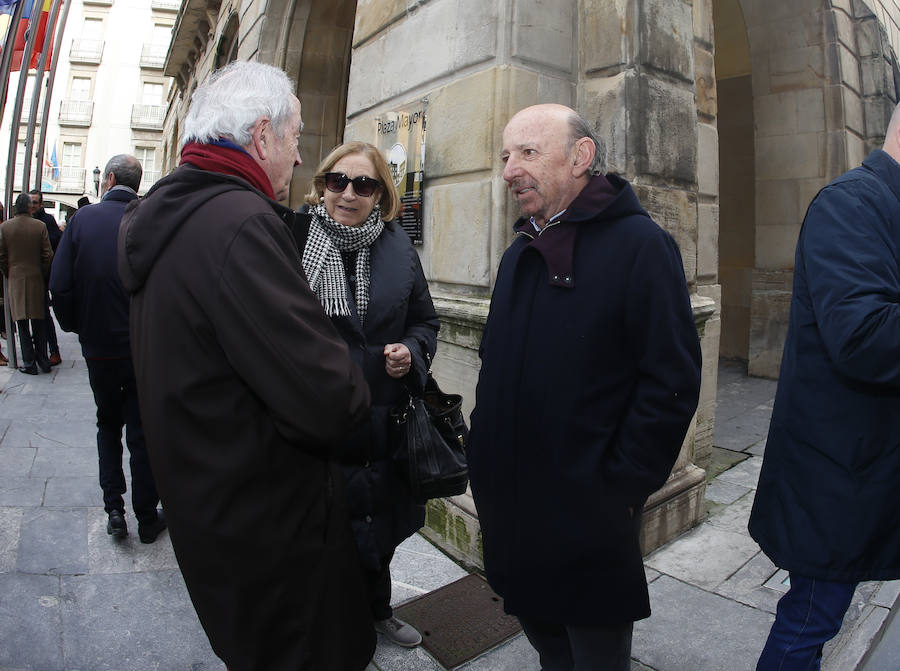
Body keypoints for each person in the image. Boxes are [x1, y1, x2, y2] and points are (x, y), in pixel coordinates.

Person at [117, 60, 374, 671]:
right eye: (293, 139)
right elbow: (332, 401)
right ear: (262, 137)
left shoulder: (173, 214)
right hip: (275, 542)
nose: (297, 159)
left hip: (217, 518)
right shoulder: (238, 223)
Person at [466, 104, 702, 671]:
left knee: (593, 653)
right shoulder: (520, 250)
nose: (508, 172)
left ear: (581, 157)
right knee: (546, 642)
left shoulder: (642, 245)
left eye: (527, 153)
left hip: (588, 515)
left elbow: (670, 382)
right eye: (505, 157)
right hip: (512, 508)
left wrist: (617, 488)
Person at [748, 104, 900, 671]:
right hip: (841, 474)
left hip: (873, 468)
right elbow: (863, 336)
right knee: (810, 620)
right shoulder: (853, 203)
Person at [301, 141, 439, 648]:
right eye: (338, 181)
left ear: (380, 194)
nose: (348, 193)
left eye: (363, 184)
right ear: (322, 185)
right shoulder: (292, 241)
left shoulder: (398, 247)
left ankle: (378, 610)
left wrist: (410, 350)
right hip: (316, 421)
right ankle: (328, 622)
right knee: (322, 531)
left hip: (383, 420)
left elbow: (425, 321)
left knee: (377, 526)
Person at [50, 154, 165, 543]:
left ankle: (114, 508)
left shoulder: (83, 220)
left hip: (99, 347)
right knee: (142, 430)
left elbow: (60, 285)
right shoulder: (151, 220)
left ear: (109, 178)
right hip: (141, 348)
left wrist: (77, 327)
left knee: (107, 424)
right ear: (137, 182)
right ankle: (147, 516)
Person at [0, 193, 53, 375]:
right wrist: (41, 272)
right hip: (35, 277)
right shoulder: (39, 226)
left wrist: (10, 271)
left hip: (15, 278)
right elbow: (48, 255)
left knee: (21, 323)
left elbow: (1, 256)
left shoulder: (6, 227)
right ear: (31, 207)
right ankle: (44, 361)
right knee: (39, 322)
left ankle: (29, 363)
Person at [29, 189, 62, 366]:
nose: (32, 205)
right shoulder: (29, 220)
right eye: (30, 202)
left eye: (35, 202)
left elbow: (53, 247)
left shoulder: (47, 221)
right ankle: (39, 349)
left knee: (43, 313)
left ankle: (54, 350)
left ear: (41, 204)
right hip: (32, 275)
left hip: (43, 275)